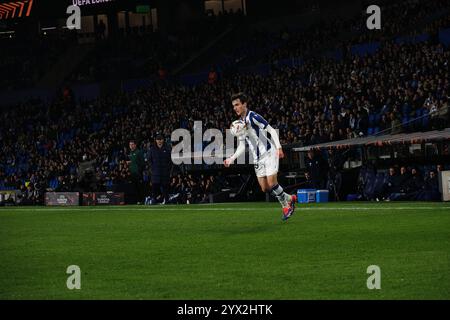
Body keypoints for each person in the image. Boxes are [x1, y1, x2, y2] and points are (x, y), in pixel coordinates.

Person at [223, 92, 297, 221]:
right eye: (233, 106)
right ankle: (290, 198)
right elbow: (242, 145)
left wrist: (279, 147)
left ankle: (286, 206)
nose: (235, 108)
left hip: (269, 153)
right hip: (257, 158)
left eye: (237, 105)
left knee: (272, 182)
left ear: (244, 104)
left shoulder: (254, 117)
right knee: (265, 188)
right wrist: (231, 158)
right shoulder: (239, 125)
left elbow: (271, 130)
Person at [148, 134, 172, 204]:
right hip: (156, 173)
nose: (159, 141)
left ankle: (167, 200)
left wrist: (168, 169)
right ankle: (154, 200)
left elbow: (170, 161)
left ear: (163, 140)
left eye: (161, 139)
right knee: (155, 187)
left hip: (165, 172)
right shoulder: (152, 149)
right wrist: (152, 168)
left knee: (165, 187)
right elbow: (149, 160)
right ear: (156, 141)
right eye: (158, 140)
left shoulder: (167, 149)